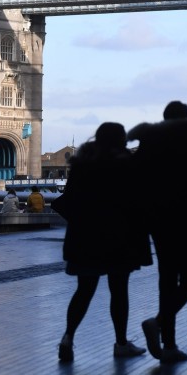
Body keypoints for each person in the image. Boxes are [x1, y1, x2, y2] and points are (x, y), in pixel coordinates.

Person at [56, 122, 151, 362]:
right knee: (119, 291)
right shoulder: (125, 164)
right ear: (120, 140)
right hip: (118, 238)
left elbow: (69, 200)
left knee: (84, 291)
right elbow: (137, 201)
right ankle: (120, 342)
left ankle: (68, 336)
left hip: (85, 238)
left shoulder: (81, 165)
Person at [129, 101, 187, 364]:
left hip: (158, 222)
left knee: (167, 279)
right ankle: (160, 324)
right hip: (185, 220)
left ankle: (170, 342)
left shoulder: (147, 149)